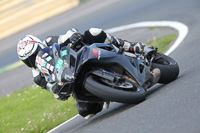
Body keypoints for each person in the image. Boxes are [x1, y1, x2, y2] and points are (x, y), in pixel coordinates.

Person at [17, 28, 160, 119]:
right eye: (28, 59)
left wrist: (73, 36)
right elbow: (52, 88)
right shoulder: (37, 76)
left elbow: (68, 34)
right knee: (85, 112)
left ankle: (129, 46)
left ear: (39, 45)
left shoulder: (49, 41)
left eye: (34, 53)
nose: (33, 59)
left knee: (93, 32)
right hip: (72, 79)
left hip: (81, 56)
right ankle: (107, 92)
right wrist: (59, 92)